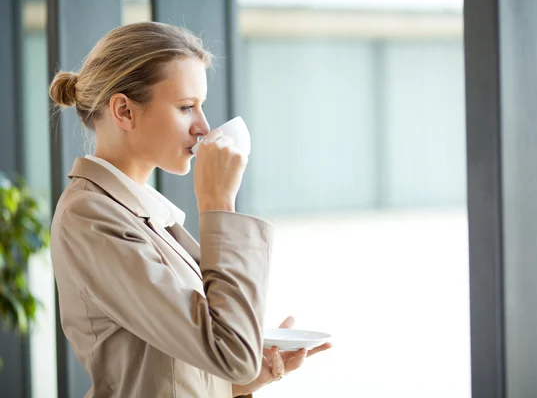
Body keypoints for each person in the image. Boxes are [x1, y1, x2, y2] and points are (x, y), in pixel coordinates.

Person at [48, 21, 331, 398]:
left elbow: (169, 366)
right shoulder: (91, 218)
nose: (204, 126)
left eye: (201, 106)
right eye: (186, 107)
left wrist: (248, 377)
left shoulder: (142, 215)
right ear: (124, 111)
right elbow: (229, 353)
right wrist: (218, 206)